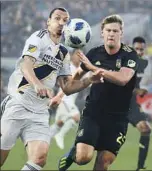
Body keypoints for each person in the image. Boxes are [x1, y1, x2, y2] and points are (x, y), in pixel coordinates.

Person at [0, 8, 103, 170]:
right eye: (57, 18)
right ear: (48, 21)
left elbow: (67, 87)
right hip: (18, 104)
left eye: (65, 20)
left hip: (40, 112)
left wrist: (89, 80)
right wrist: (37, 84)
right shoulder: (39, 37)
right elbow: (26, 64)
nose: (61, 23)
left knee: (39, 159)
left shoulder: (63, 53)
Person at [57, 14, 139, 171]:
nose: (111, 34)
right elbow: (74, 80)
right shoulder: (94, 54)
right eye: (108, 30)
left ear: (121, 33)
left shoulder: (130, 54)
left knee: (103, 162)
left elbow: (123, 79)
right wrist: (60, 94)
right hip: (93, 113)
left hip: (118, 118)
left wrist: (94, 68)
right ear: (102, 33)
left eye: (115, 31)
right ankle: (73, 153)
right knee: (83, 158)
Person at [128, 37, 152, 171]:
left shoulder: (144, 64)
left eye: (141, 49)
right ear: (131, 48)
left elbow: (138, 85)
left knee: (145, 129)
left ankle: (140, 167)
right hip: (115, 104)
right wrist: (138, 90)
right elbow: (121, 85)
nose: (138, 52)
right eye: (136, 49)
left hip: (131, 104)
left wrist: (141, 90)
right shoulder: (124, 62)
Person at [50, 50, 81, 149]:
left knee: (59, 123)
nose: (78, 57)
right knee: (76, 117)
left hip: (70, 100)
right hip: (65, 98)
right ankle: (60, 135)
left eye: (80, 55)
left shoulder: (80, 69)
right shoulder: (68, 67)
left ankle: (43, 137)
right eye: (77, 55)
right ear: (72, 56)